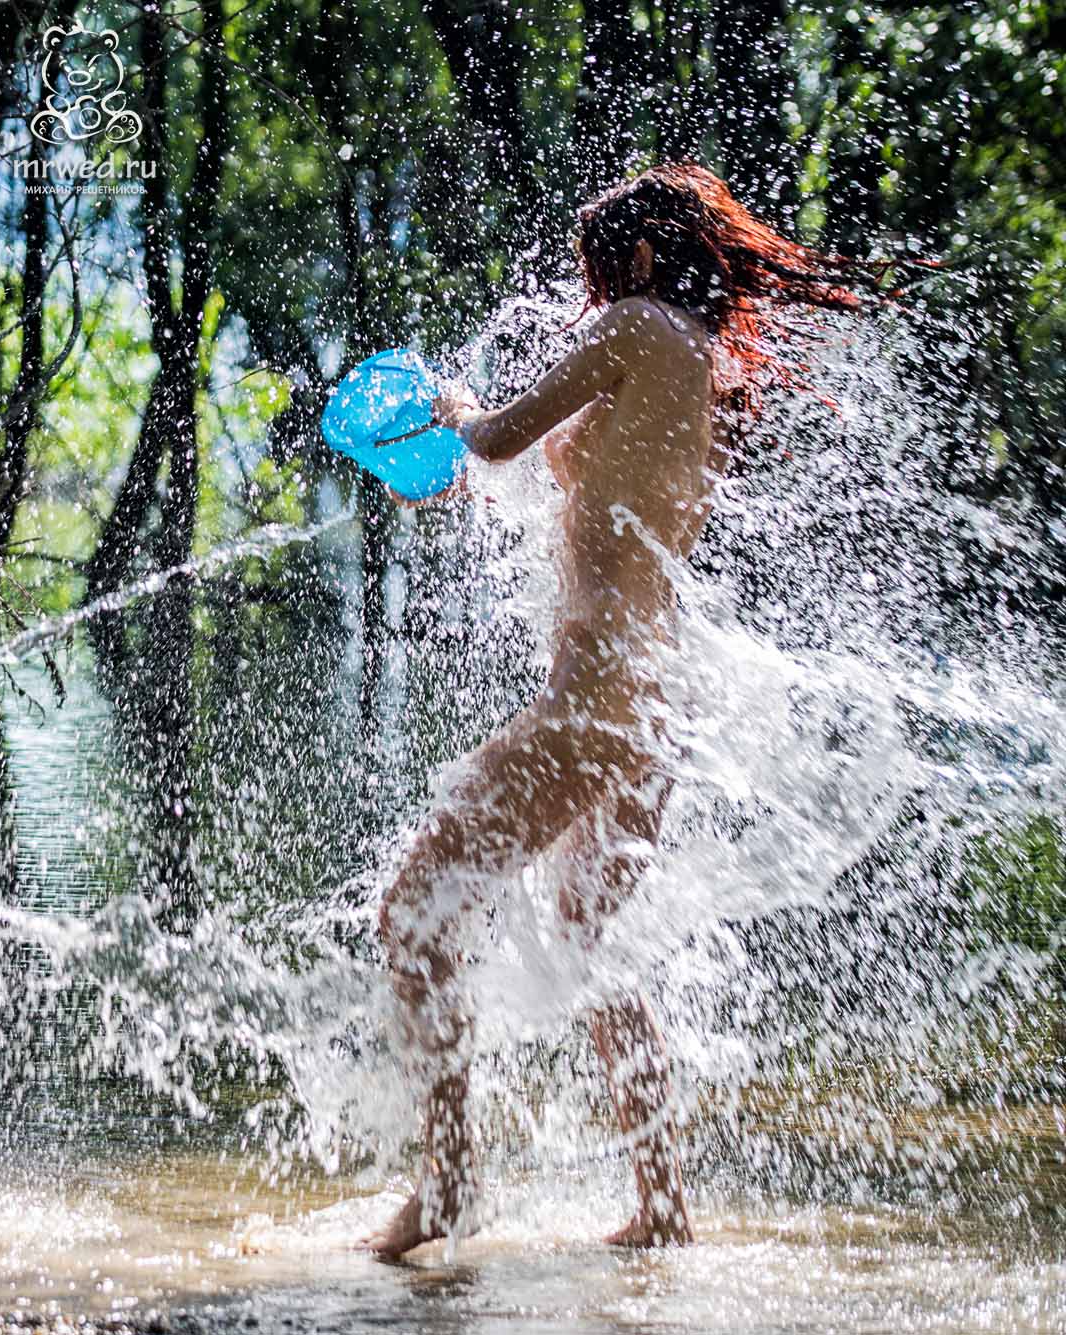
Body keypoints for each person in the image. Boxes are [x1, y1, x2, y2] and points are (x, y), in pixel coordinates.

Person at [370, 164, 909, 1259]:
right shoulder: (689, 364)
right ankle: (661, 1206)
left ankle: (448, 1185)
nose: (587, 295)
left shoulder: (634, 322)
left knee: (411, 913)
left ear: (642, 262)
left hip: (596, 702)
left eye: (597, 272)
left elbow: (495, 440)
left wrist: (452, 415)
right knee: (587, 951)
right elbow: (572, 489)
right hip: (644, 710)